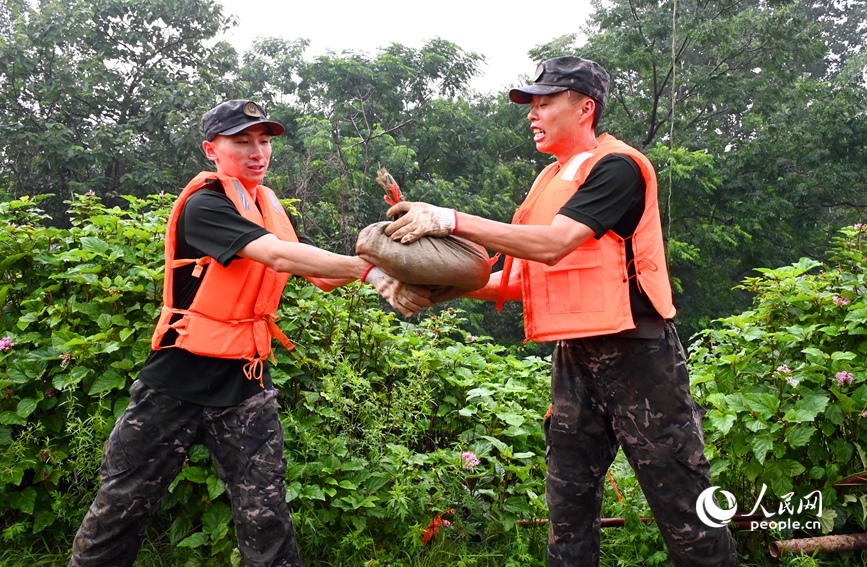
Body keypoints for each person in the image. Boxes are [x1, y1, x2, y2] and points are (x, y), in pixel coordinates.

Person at [384, 57, 739, 567]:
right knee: (567, 504)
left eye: (544, 102)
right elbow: (517, 280)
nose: (532, 114)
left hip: (638, 353)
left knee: (682, 498)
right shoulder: (548, 182)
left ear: (585, 107)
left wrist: (451, 219)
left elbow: (554, 246)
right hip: (575, 357)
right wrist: (437, 287)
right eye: (531, 104)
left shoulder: (616, 168)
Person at [69, 99, 432, 567]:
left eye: (264, 141)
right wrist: (372, 274)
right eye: (242, 142)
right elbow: (278, 257)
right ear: (211, 150)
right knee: (121, 507)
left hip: (246, 381)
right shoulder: (205, 206)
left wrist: (395, 254)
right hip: (177, 379)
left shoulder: (265, 204)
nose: (257, 152)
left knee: (267, 518)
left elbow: (317, 272)